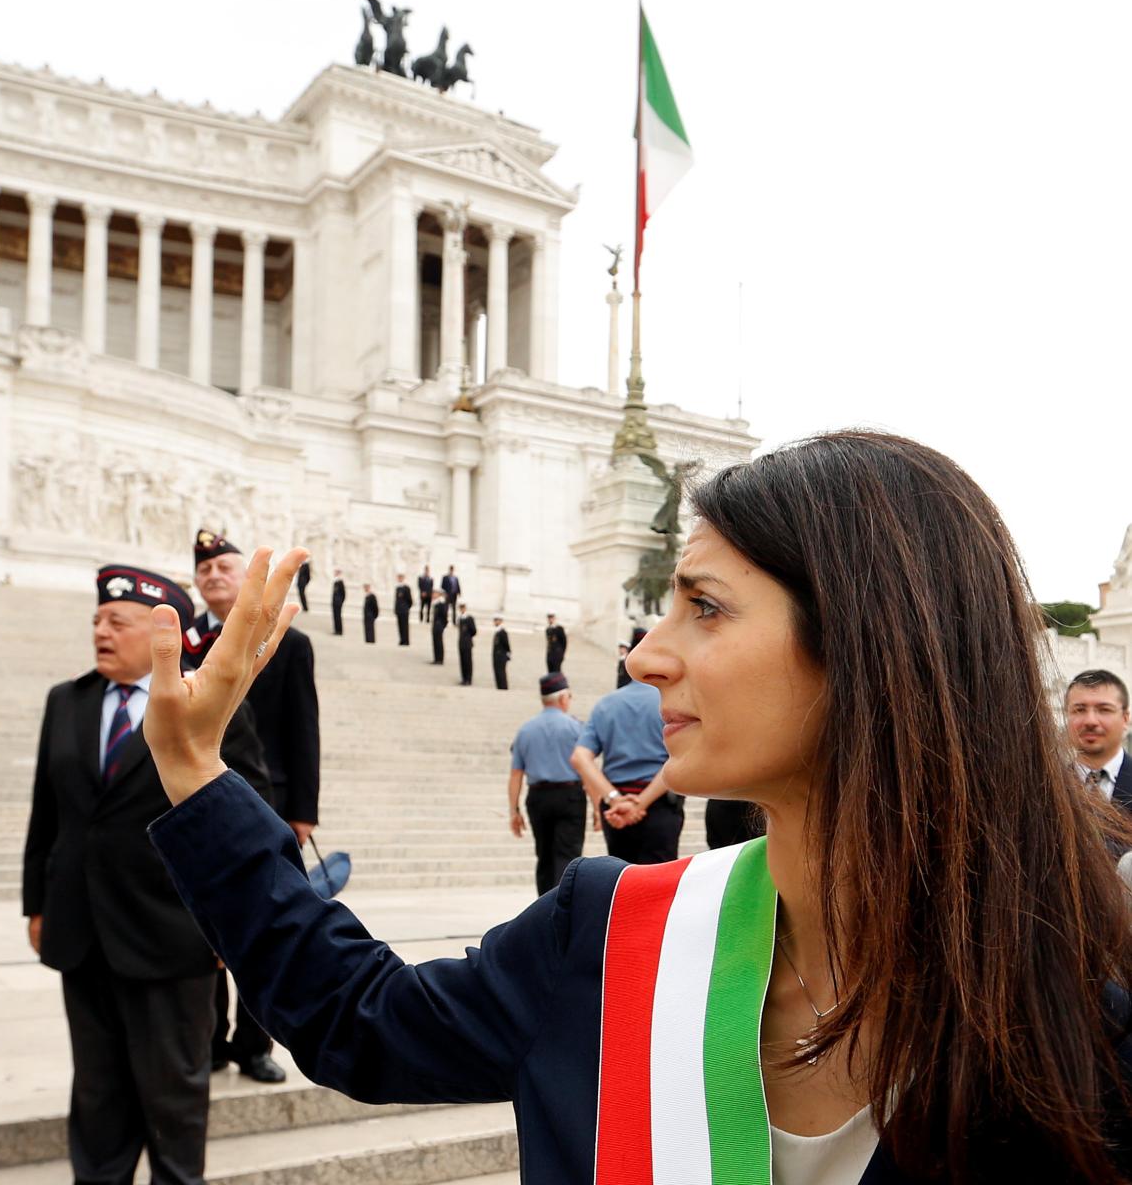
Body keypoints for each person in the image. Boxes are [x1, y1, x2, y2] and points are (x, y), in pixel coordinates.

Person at [139, 430, 1132, 1183]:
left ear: (868, 647)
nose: (641, 653)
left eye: (702, 606)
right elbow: (359, 1018)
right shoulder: (608, 933)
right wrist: (193, 771)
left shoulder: (1088, 1029)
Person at [22, 565, 272, 1185]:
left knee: (173, 1097)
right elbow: (46, 813)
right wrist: (37, 902)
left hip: (172, 936)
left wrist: (230, 928)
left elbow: (247, 826)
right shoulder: (67, 700)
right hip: (82, 932)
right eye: (96, 621)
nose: (101, 632)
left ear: (164, 632)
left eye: (117, 622)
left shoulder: (205, 707)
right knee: (97, 1091)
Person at [186, 531, 320, 1084]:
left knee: (264, 929)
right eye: (205, 568)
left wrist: (302, 809)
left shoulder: (288, 642)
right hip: (198, 803)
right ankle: (210, 1037)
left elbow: (302, 726)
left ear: (247, 577)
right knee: (199, 925)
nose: (214, 574)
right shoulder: (181, 642)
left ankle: (255, 1042)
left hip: (270, 804)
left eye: (224, 565)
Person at [569, 676, 680, 865]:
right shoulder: (669, 702)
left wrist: (614, 798)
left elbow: (580, 757)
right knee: (660, 882)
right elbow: (678, 756)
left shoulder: (606, 704)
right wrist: (640, 804)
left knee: (623, 880)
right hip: (659, 803)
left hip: (616, 810)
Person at [508, 673, 585, 896]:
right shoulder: (575, 727)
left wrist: (514, 810)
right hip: (570, 795)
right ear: (563, 699)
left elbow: (515, 774)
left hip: (538, 798)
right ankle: (564, 907)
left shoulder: (525, 730)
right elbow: (585, 766)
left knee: (544, 856)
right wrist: (598, 803)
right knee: (568, 856)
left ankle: (544, 908)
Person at [1066, 668, 1132, 820]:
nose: (1090, 721)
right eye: (1079, 710)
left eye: (1104, 710)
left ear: (1125, 718)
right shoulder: (1047, 787)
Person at [456, 602, 476, 685]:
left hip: (467, 643)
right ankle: (464, 678)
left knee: (468, 661)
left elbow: (474, 631)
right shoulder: (460, 618)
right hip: (461, 642)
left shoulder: (469, 618)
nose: (461, 609)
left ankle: (468, 679)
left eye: (463, 607)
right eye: (460, 608)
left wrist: (467, 637)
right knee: (462, 661)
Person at [490, 616, 511, 690]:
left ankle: (503, 686)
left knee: (501, 671)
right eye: (495, 620)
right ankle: (499, 686)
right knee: (497, 671)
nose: (495, 622)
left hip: (501, 655)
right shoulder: (497, 631)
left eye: (497, 620)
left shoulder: (503, 632)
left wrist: (508, 653)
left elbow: (506, 644)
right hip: (496, 655)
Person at [393, 573, 413, 646]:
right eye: (398, 577)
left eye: (401, 577)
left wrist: (406, 607)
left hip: (404, 610)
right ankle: (401, 639)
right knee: (400, 625)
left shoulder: (406, 588)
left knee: (405, 626)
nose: (399, 579)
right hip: (399, 610)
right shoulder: (397, 588)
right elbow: (396, 600)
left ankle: (406, 640)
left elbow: (410, 600)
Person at [430, 595, 448, 666]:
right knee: (435, 642)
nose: (433, 595)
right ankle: (436, 658)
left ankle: (440, 659)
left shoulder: (442, 604)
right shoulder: (436, 603)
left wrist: (443, 625)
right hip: (435, 625)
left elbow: (444, 616)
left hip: (439, 625)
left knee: (439, 642)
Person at [330, 569, 346, 636]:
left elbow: (343, 593)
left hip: (338, 603)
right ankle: (336, 630)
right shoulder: (335, 582)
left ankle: (339, 631)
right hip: (334, 602)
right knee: (335, 616)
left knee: (338, 617)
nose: (335, 573)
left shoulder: (340, 582)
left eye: (336, 572)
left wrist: (341, 602)